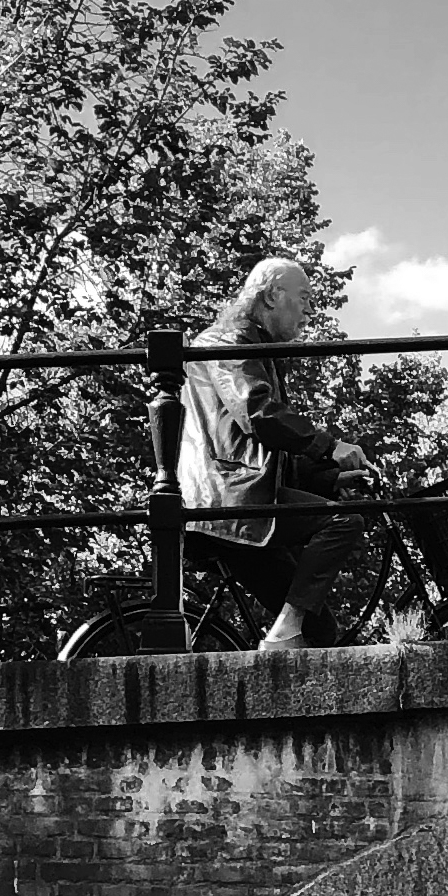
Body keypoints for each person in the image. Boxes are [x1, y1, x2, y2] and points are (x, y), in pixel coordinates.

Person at [182, 258, 379, 648]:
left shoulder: (254, 348)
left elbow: (255, 450)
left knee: (318, 630)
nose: (310, 310)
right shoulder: (230, 342)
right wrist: (330, 446)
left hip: (240, 497)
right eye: (303, 297)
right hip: (226, 500)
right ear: (273, 296)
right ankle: (282, 635)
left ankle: (282, 643)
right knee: (342, 522)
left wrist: (329, 478)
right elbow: (258, 414)